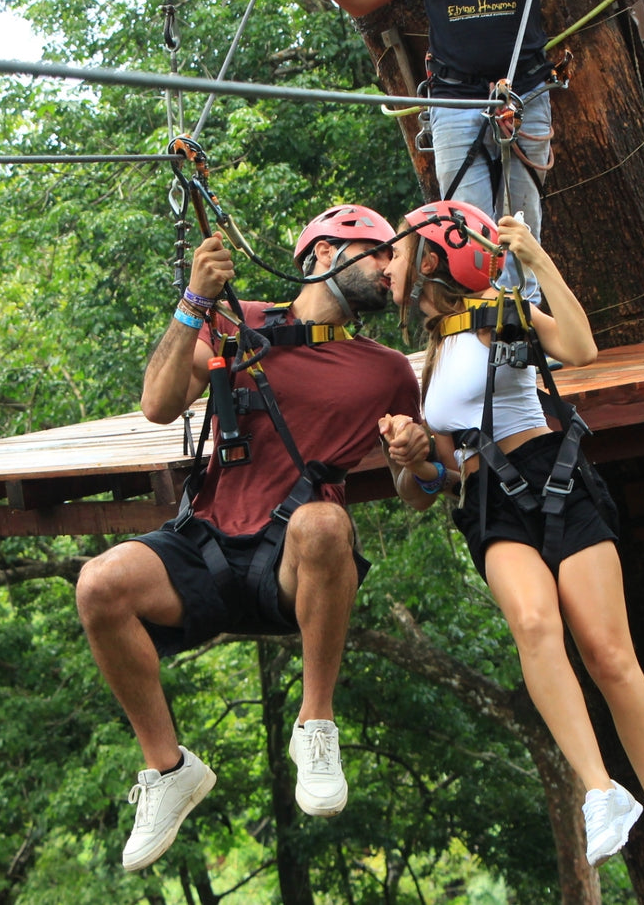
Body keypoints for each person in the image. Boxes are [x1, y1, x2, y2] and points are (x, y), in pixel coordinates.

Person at [377, 200, 644, 898]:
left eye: (398, 252)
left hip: (551, 478)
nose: (385, 265)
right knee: (533, 623)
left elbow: (581, 350)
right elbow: (427, 483)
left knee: (608, 653)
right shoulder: (426, 362)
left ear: (431, 259)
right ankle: (600, 791)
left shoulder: (502, 312)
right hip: (484, 500)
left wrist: (535, 260)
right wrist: (409, 458)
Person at [75, 204, 422, 872]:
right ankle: (168, 768)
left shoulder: (387, 372)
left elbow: (420, 492)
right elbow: (157, 402)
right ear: (324, 252)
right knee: (99, 583)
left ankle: (315, 725)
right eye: (378, 252)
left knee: (326, 520)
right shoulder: (239, 321)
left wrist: (417, 459)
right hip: (205, 541)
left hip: (291, 560)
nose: (389, 269)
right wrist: (193, 301)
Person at [284, 0, 611, 304]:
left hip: (522, 95)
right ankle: (482, 329)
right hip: (454, 100)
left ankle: (527, 329)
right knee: (466, 232)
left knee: (521, 223)